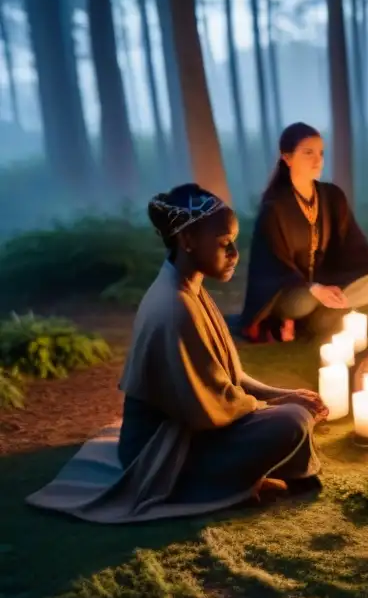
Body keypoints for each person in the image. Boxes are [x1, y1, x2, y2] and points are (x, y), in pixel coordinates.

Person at [26, 185, 326, 523]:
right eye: (224, 242)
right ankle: (224, 485)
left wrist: (286, 394)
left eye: (234, 242)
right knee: (292, 422)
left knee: (292, 412)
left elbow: (230, 378)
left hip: (198, 430)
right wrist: (279, 407)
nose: (234, 253)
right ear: (188, 240)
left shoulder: (190, 287)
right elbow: (209, 410)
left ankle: (253, 473)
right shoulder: (175, 306)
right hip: (166, 453)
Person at [240, 123, 368, 343]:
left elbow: (355, 243)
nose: (317, 160)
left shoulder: (332, 196)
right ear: (287, 157)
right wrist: (313, 288)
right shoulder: (275, 207)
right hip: (293, 291)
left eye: (321, 153)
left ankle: (321, 318)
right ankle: (304, 318)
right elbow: (274, 265)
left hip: (328, 284)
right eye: (308, 153)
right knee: (303, 303)